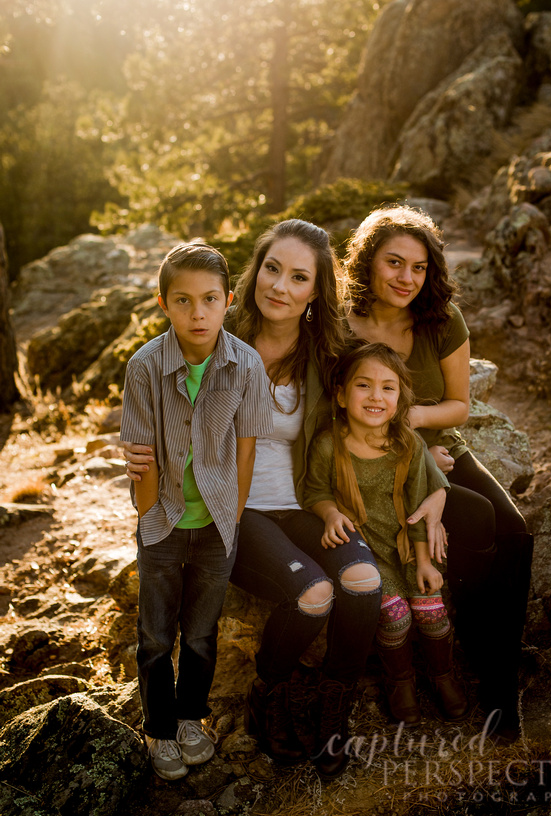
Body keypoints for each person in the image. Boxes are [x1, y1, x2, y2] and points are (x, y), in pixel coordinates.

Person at [124, 219, 449, 780]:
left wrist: (428, 469)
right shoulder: (215, 334)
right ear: (254, 273)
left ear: (316, 291)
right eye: (272, 268)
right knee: (313, 593)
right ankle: (270, 693)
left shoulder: (329, 355)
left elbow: (380, 405)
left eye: (299, 277)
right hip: (235, 509)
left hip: (304, 506)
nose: (280, 285)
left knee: (362, 581)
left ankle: (330, 711)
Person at [343, 205, 533, 739]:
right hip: (373, 459)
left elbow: (458, 406)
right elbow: (332, 412)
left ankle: (499, 677)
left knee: (515, 532)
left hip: (441, 445)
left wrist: (414, 420)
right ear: (368, 263)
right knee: (474, 523)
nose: (407, 278)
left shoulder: (441, 320)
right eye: (394, 263)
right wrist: (409, 452)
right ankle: (456, 656)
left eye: (419, 267)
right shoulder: (339, 324)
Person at [120, 241, 272, 780]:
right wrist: (149, 518)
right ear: (163, 303)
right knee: (156, 635)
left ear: (228, 300)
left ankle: (190, 719)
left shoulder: (246, 364)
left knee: (201, 633)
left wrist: (232, 517)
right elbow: (141, 458)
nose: (197, 312)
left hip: (216, 523)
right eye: (182, 301)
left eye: (209, 299)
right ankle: (159, 728)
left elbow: (248, 445)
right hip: (161, 520)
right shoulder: (143, 368)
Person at [304, 342, 467, 726]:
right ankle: (400, 681)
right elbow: (316, 491)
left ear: (401, 399)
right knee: (394, 616)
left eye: (388, 388)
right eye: (363, 386)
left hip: (407, 548)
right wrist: (329, 514)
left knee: (431, 611)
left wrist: (425, 562)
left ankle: (442, 675)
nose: (376, 396)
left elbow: (417, 508)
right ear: (342, 395)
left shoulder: (407, 445)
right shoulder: (329, 444)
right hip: (366, 552)